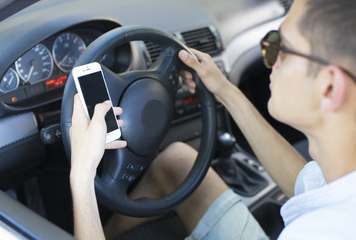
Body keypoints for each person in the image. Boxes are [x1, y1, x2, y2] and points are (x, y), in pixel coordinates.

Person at [69, 0, 356, 239]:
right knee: (177, 161)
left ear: (329, 87)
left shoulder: (318, 231)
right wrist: (225, 91)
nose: (270, 54)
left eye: (282, 46)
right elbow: (306, 184)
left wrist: (82, 174)